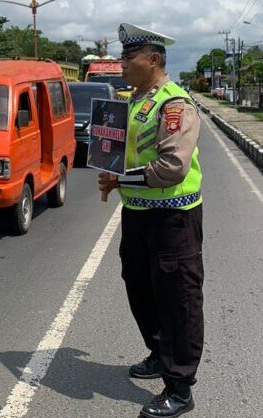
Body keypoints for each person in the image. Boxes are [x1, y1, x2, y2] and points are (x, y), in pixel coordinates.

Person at [98, 23, 204, 418]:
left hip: (173, 216)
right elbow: (123, 150)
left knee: (178, 299)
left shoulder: (174, 104)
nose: (121, 64)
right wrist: (110, 169)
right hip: (139, 213)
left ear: (153, 59)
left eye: (128, 58)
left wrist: (118, 178)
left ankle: (180, 386)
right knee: (140, 288)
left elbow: (173, 166)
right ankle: (160, 354)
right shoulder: (136, 100)